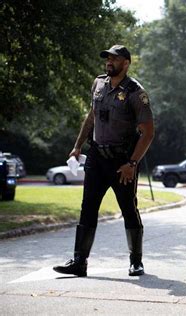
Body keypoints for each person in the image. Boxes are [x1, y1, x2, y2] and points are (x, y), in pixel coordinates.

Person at [53, 45, 154, 277]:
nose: (109, 62)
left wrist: (132, 163)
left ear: (126, 63)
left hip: (122, 162)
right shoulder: (98, 83)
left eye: (114, 59)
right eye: (107, 58)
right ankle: (79, 262)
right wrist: (77, 146)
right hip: (97, 157)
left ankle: (136, 261)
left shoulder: (136, 94)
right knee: (87, 207)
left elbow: (148, 133)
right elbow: (92, 116)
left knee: (129, 209)